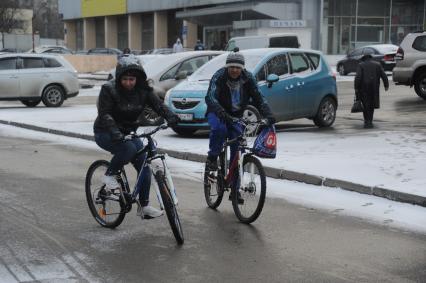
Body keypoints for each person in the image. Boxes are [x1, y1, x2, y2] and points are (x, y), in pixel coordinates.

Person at [93, 56, 179, 218]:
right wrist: (115, 133)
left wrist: (171, 116)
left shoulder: (144, 90)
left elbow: (158, 106)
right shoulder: (108, 89)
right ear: (119, 78)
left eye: (131, 79)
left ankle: (144, 206)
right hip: (105, 131)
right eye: (124, 79)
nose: (128, 83)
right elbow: (105, 114)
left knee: (144, 164)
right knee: (128, 148)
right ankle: (110, 175)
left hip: (128, 131)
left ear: (138, 78)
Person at [205, 50, 275, 173]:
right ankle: (212, 158)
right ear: (227, 67)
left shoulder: (248, 78)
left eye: (237, 67)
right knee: (219, 130)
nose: (234, 70)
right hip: (217, 112)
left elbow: (259, 98)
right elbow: (210, 97)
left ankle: (235, 188)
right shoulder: (219, 76)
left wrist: (268, 115)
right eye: (231, 67)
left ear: (242, 68)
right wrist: (220, 111)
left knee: (238, 149)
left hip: (236, 115)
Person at [354, 49, 389, 128]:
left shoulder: (361, 65)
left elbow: (358, 77)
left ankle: (366, 121)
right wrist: (386, 85)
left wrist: (356, 88)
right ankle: (370, 120)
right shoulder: (377, 64)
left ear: (363, 57)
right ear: (371, 56)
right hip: (374, 88)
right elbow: (384, 75)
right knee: (372, 105)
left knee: (365, 104)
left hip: (363, 88)